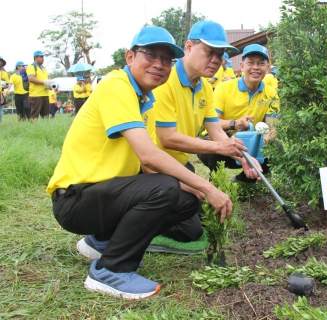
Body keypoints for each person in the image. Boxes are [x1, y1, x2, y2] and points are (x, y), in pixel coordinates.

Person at [47, 26, 233, 300]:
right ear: (130, 56)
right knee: (166, 187)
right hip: (75, 199)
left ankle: (102, 242)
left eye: (167, 60)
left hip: (104, 194)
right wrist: (208, 187)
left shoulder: (143, 99)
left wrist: (193, 188)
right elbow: (150, 155)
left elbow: (146, 167)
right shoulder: (115, 85)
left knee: (184, 199)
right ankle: (111, 270)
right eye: (150, 55)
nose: (159, 65)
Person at [152, 20, 260, 241]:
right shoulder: (165, 80)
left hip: (179, 164)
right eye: (209, 52)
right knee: (190, 230)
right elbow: (167, 139)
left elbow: (217, 132)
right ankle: (137, 232)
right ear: (189, 47)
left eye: (220, 55)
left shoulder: (204, 87)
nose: (216, 61)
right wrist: (220, 146)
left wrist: (245, 157)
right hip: (153, 166)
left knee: (203, 214)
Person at [198, 44, 280, 183]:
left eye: (261, 63)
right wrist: (234, 124)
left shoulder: (271, 93)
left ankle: (243, 181)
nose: (255, 67)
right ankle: (217, 183)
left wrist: (259, 143)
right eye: (251, 62)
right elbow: (212, 123)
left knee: (276, 147)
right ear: (242, 66)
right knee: (213, 147)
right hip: (223, 139)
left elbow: (272, 129)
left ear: (267, 68)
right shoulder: (224, 88)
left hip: (251, 143)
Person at [27, 51, 50, 119]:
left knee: (46, 116)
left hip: (45, 94)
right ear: (36, 57)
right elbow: (31, 78)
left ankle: (45, 129)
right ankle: (32, 129)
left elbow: (48, 78)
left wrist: (52, 84)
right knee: (34, 115)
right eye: (41, 57)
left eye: (43, 57)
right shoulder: (32, 67)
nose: (43, 58)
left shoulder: (44, 68)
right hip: (36, 95)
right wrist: (44, 82)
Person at [0, 56, 11, 122]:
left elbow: (7, 84)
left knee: (0, 114)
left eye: (1, 61)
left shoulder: (4, 73)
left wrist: (4, 87)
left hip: (2, 94)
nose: (0, 62)